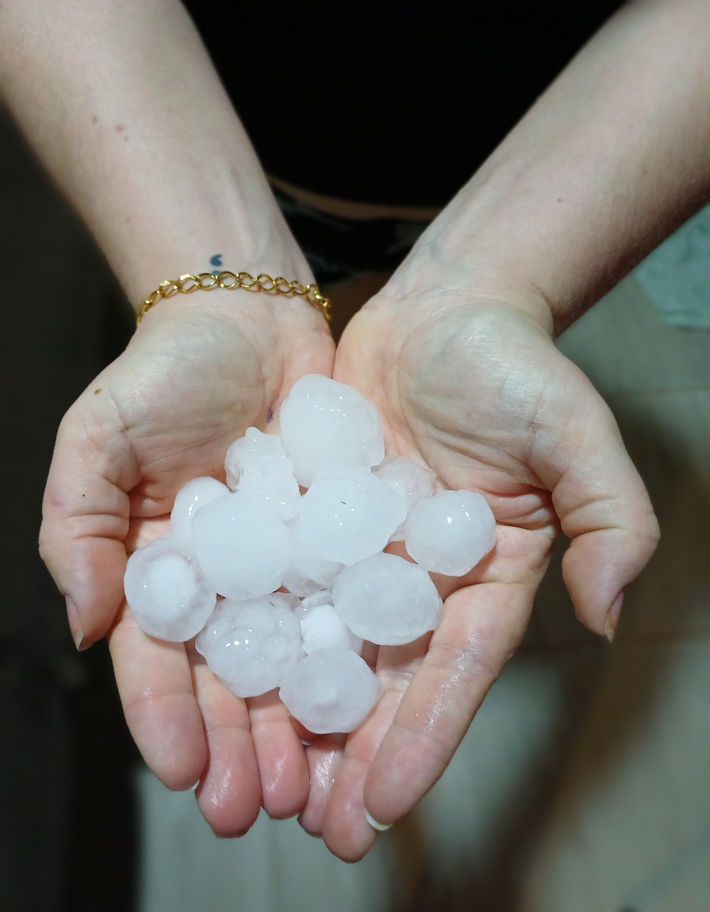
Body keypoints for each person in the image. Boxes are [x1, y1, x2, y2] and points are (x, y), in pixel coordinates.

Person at [2, 0, 707, 864]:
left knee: (376, 320)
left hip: (550, 170)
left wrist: (498, 279)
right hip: (192, 142)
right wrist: (201, 275)